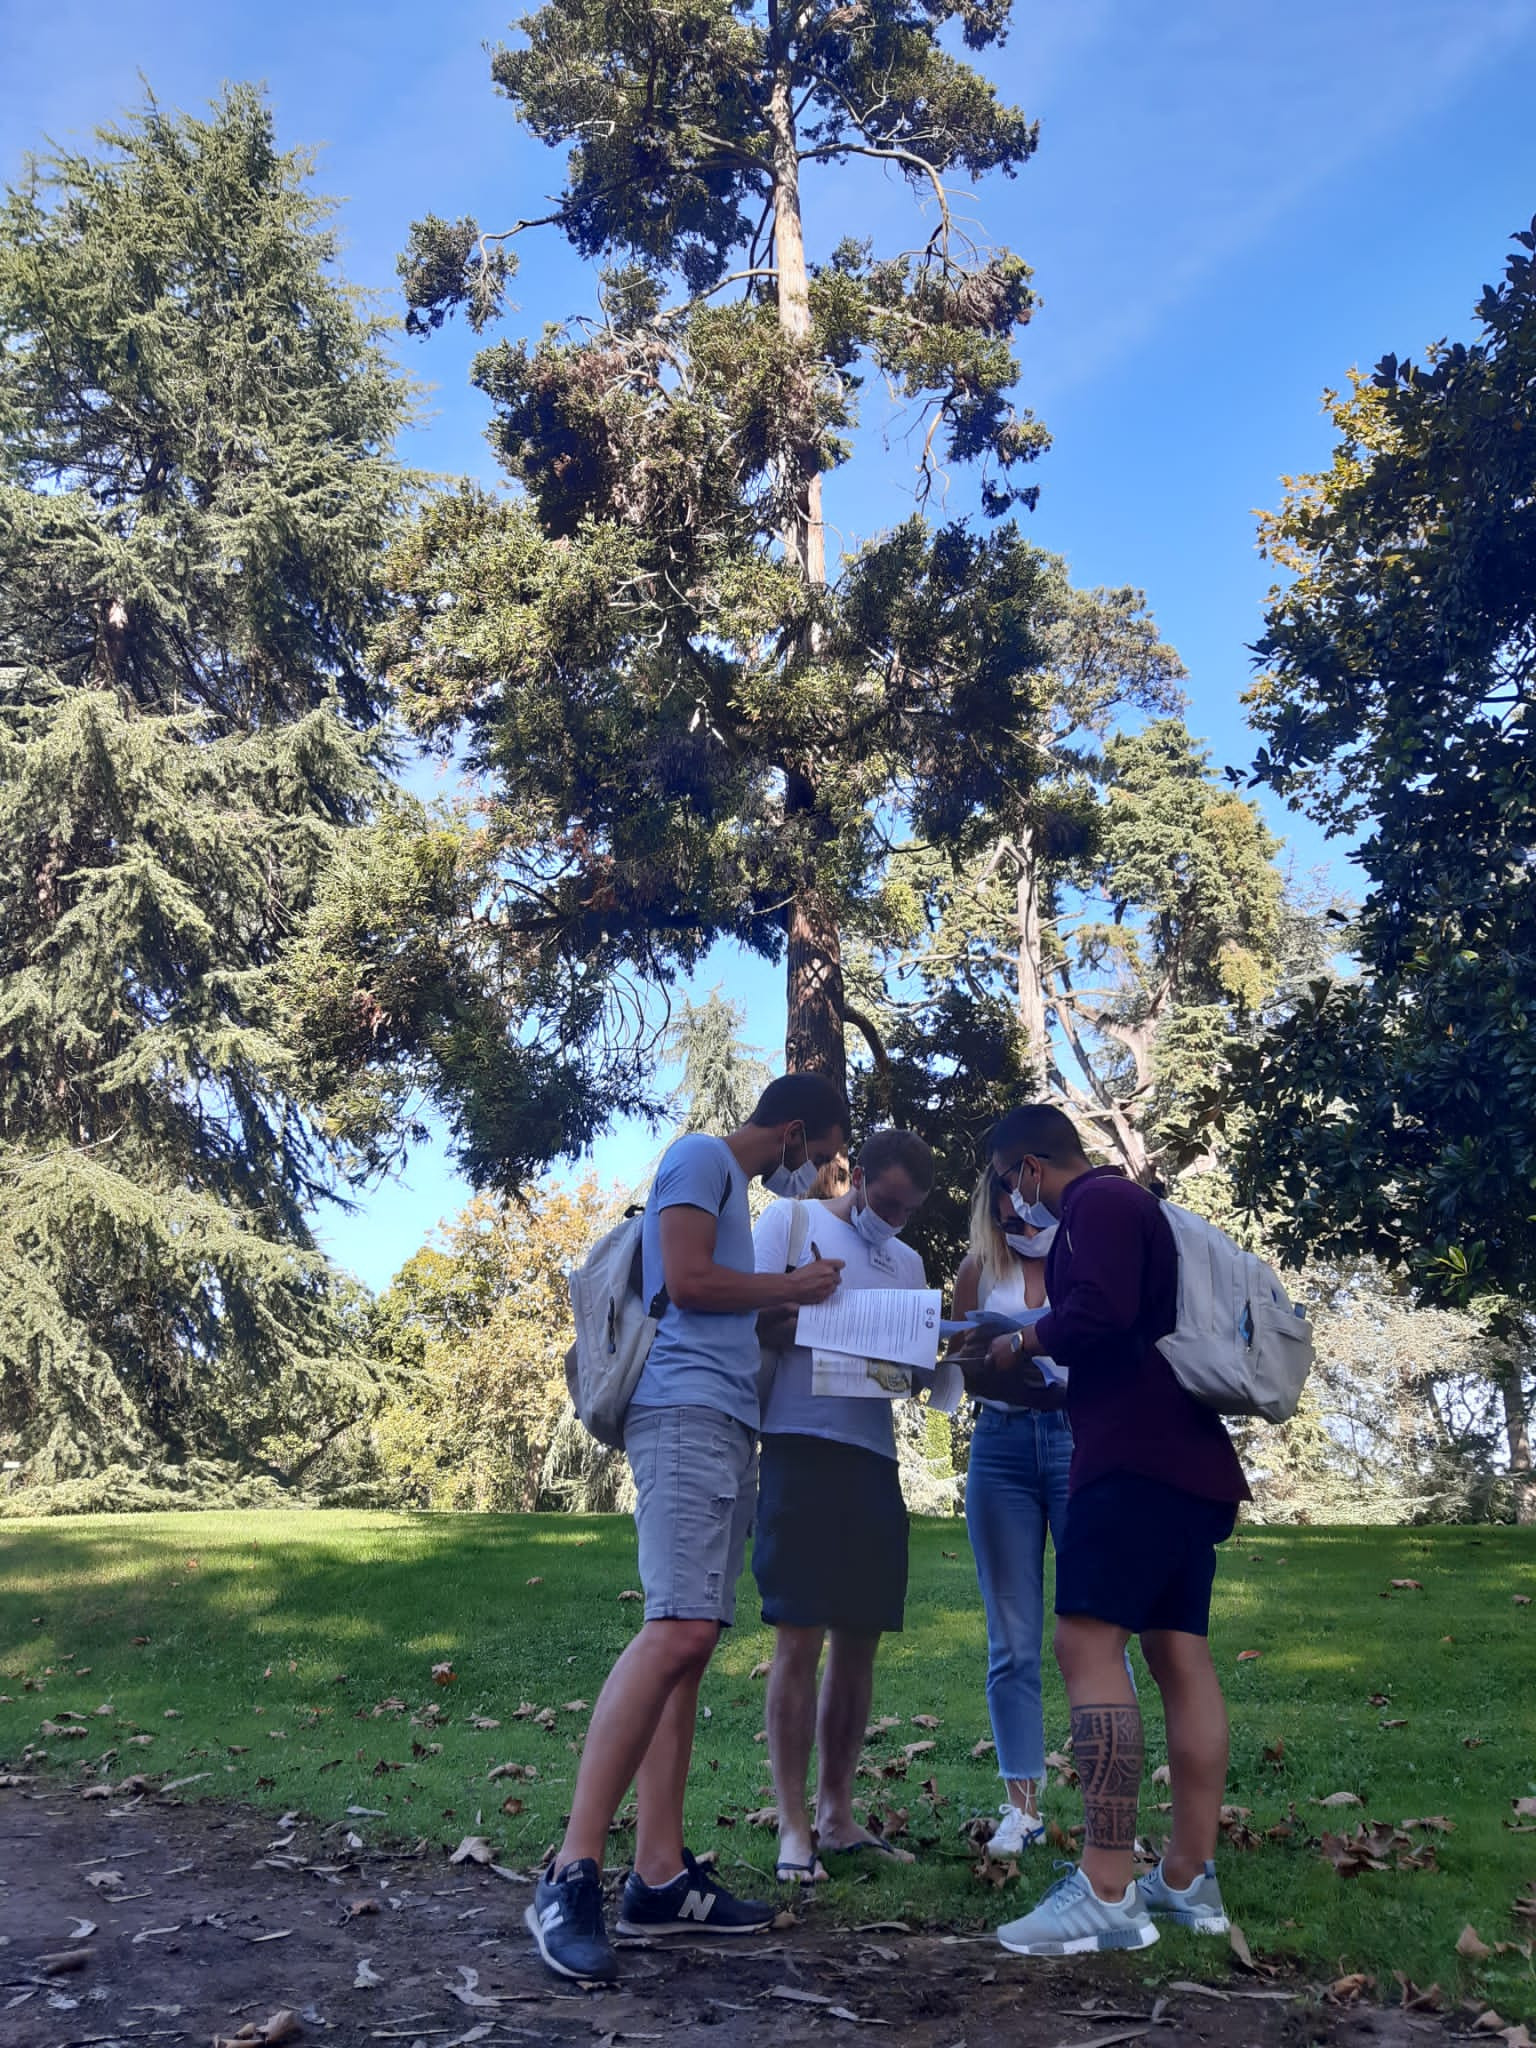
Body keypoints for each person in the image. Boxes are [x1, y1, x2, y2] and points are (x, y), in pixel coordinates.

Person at [526, 1073, 852, 1983]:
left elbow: (718, 1295)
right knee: (675, 1628)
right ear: (792, 1132)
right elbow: (692, 1278)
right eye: (820, 1156)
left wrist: (784, 1310)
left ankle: (659, 1877)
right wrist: (784, 1284)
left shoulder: (731, 1190)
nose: (819, 1174)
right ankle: (571, 1870)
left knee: (693, 1642)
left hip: (719, 1419)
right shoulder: (702, 1158)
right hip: (679, 1417)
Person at [977, 1104, 1250, 1959]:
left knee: (1086, 1646)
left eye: (1006, 1180)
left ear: (1027, 1167)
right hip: (1183, 1461)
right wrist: (1058, 1389)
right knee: (1179, 1655)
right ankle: (1186, 1879)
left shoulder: (1095, 1204)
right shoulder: (1133, 1207)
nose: (1011, 1199)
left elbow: (1096, 1309)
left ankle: (1104, 1887)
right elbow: (1126, 1336)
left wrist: (1021, 1343)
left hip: (1128, 1467)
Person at [751, 1129, 937, 1888]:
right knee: (798, 1636)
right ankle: (794, 1828)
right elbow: (750, 1323)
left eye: (908, 1211)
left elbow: (907, 1372)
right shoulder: (790, 1225)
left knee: (860, 1640)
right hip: (798, 1445)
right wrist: (810, 1308)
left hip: (873, 1458)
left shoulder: (910, 1262)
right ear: (855, 1176)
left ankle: (837, 1813)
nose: (893, 1219)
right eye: (885, 1201)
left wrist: (926, 1363)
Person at [952, 1168, 1071, 1859]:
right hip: (999, 1446)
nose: (1017, 1227)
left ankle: (1108, 1803)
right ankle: (1020, 1807)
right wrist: (981, 1361)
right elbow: (964, 1364)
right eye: (1005, 1219)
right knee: (1012, 1639)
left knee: (1091, 1631)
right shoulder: (976, 1269)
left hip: (1075, 1437)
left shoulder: (1078, 1260)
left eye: (1025, 1216)